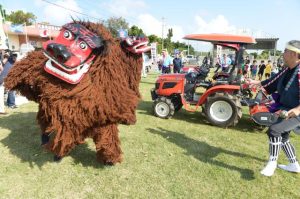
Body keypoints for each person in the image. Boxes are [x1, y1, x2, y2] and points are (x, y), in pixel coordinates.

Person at [248, 40, 300, 177]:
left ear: (294, 54)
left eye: (285, 51)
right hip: (285, 108)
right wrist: (256, 83)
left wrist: (298, 109)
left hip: (297, 111)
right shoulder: (286, 70)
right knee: (283, 136)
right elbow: (271, 82)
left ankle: (272, 163)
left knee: (274, 130)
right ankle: (294, 164)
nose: (283, 54)